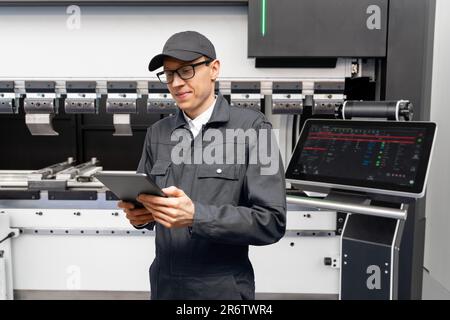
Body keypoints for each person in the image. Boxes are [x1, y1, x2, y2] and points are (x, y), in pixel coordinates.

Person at [118, 31, 286, 300]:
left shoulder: (255, 129)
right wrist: (141, 217)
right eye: (169, 74)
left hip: (222, 289)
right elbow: (147, 202)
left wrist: (197, 216)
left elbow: (272, 222)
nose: (176, 83)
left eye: (186, 70)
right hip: (164, 287)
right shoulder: (157, 133)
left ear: (214, 69)